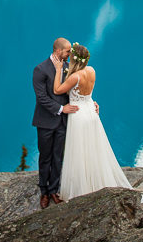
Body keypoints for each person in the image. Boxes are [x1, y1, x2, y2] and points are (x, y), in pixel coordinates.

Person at [52, 42, 132, 200]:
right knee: (94, 149)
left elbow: (57, 90)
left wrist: (59, 69)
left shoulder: (75, 76)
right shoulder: (91, 71)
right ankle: (96, 181)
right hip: (91, 111)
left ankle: (81, 189)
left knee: (78, 152)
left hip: (78, 115)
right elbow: (87, 93)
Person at [32, 37, 78, 209]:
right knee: (45, 158)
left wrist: (90, 103)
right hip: (45, 122)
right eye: (67, 51)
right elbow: (42, 98)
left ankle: (53, 190)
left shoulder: (68, 68)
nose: (69, 54)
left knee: (58, 157)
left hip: (62, 123)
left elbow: (73, 92)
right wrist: (61, 109)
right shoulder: (40, 69)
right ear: (58, 51)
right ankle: (43, 191)